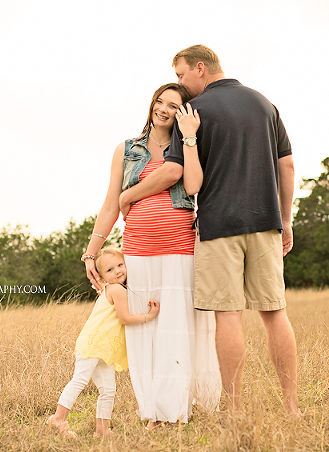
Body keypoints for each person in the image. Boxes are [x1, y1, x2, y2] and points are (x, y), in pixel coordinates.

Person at [121, 45, 299, 415]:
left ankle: (233, 410)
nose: (182, 84)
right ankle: (291, 405)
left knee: (228, 316)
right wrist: (285, 220)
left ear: (200, 68)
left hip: (219, 227)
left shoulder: (193, 113)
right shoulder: (265, 104)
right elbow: (288, 167)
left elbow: (179, 176)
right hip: (266, 223)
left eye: (182, 75)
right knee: (275, 313)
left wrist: (128, 195)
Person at [83, 83, 221, 427]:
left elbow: (193, 185)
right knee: (145, 330)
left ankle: (177, 407)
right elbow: (110, 202)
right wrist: (91, 251)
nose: (163, 109)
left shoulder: (189, 146)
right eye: (160, 101)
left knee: (177, 328)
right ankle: (154, 411)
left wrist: (189, 140)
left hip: (180, 248)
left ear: (183, 113)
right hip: (138, 250)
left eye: (173, 105)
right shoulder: (126, 150)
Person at [48, 247, 160, 439]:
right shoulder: (115, 289)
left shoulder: (112, 288)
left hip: (104, 349)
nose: (117, 271)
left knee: (108, 390)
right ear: (100, 276)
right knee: (80, 380)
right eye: (110, 270)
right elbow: (125, 318)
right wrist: (148, 316)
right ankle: (58, 418)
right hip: (94, 344)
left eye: (120, 265)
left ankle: (102, 430)